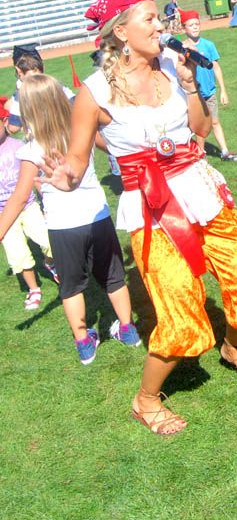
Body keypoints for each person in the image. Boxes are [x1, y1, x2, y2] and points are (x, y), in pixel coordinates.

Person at [41, 0, 237, 433]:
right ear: (121, 32)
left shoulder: (172, 66)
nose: (161, 26)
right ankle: (146, 399)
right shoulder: (92, 94)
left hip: (202, 190)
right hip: (151, 208)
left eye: (159, 18)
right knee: (180, 305)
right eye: (150, 19)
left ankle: (232, 348)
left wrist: (191, 85)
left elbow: (201, 129)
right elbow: (77, 159)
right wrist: (67, 177)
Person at [0, 74, 141, 365]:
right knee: (114, 277)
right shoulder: (82, 131)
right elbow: (115, 146)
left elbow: (17, 199)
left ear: (28, 110)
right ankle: (128, 329)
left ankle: (84, 344)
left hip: (64, 229)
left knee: (71, 287)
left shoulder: (31, 150)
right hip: (98, 217)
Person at [0, 95, 57, 310]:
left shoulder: (19, 147)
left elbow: (34, 176)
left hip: (29, 206)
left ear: (5, 122)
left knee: (50, 241)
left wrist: (46, 197)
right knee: (18, 256)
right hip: (3, 214)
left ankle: (50, 263)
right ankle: (34, 288)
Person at [180, 9, 237, 161]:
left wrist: (223, 90)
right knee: (195, 127)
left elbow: (216, 67)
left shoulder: (208, 45)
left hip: (209, 91)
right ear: (183, 28)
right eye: (191, 25)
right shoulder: (181, 48)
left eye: (197, 24)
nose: (195, 27)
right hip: (192, 95)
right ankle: (198, 156)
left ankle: (224, 151)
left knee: (214, 121)